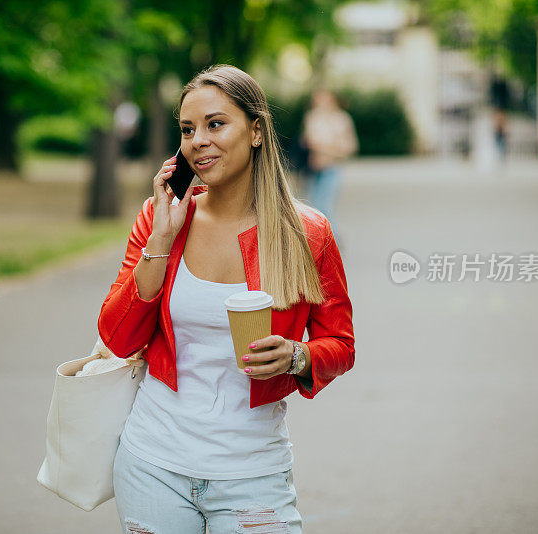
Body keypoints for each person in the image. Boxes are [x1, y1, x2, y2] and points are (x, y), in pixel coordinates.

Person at [97, 64, 356, 534]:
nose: (198, 140)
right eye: (187, 129)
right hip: (152, 462)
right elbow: (117, 338)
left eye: (215, 124)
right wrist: (160, 238)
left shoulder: (307, 232)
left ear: (255, 131)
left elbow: (340, 343)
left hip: (253, 472)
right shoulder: (162, 221)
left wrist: (298, 356)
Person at [300, 89, 358, 243]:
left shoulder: (342, 119)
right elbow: (308, 141)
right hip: (313, 169)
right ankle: (321, 241)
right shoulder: (312, 118)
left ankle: (333, 241)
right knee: (312, 207)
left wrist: (324, 149)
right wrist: (332, 146)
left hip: (332, 169)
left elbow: (350, 147)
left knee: (325, 207)